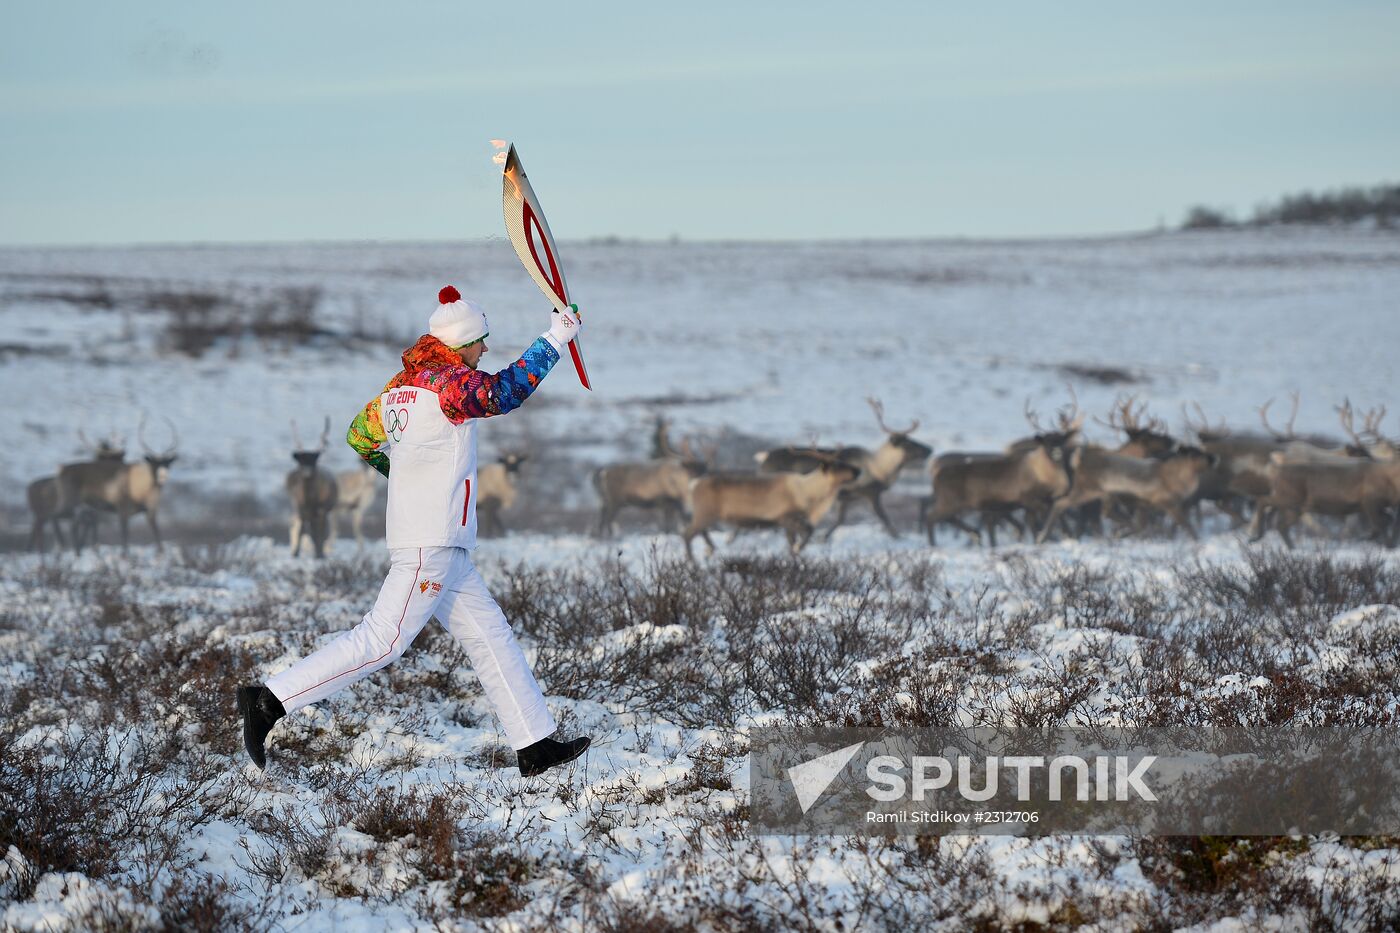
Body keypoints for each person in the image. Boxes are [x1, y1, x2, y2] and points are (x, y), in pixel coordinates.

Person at [237, 286, 590, 777]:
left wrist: (403, 472)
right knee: (383, 640)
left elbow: (359, 434)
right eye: (481, 342)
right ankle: (267, 702)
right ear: (462, 342)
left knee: (491, 636)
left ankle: (534, 744)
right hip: (431, 538)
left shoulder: (401, 386)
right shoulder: (449, 384)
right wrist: (555, 337)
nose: (484, 350)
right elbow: (502, 392)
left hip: (439, 538)